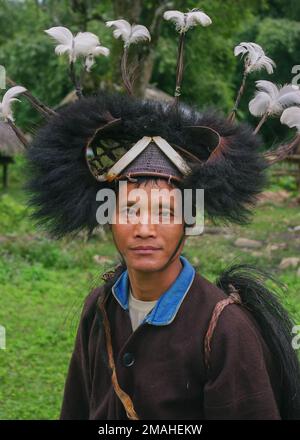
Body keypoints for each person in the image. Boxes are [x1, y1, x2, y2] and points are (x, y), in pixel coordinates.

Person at [23, 10, 300, 420]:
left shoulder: (224, 329)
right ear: (108, 218)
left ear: (189, 221)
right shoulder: (98, 309)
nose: (145, 228)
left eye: (166, 212)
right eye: (130, 209)